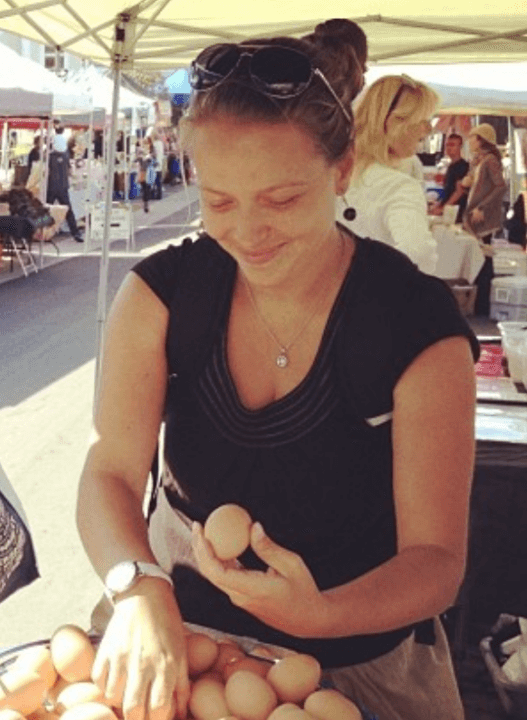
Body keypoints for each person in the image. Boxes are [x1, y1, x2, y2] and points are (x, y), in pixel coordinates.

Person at [77, 18, 477, 720]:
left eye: (283, 199)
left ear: (343, 168)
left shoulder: (416, 325)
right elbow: (111, 469)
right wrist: (139, 588)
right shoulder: (161, 296)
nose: (248, 233)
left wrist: (319, 615)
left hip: (357, 663)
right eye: (219, 201)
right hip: (176, 638)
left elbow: (437, 560)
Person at [343, 74, 439, 274]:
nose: (427, 130)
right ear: (395, 122)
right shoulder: (399, 187)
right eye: (423, 120)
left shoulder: (332, 172)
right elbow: (419, 255)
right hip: (373, 301)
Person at [464, 123, 509, 316]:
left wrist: (482, 206)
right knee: (481, 257)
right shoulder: (480, 160)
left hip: (484, 216)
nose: (470, 141)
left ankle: (483, 305)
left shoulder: (490, 160)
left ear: (481, 139)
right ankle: (480, 303)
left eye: (473, 137)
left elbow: (500, 186)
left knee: (484, 258)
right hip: (476, 213)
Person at [47, 123, 84, 242]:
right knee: (68, 209)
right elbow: (69, 171)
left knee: (46, 210)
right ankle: (75, 232)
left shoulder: (49, 156)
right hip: (63, 185)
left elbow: (44, 170)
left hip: (51, 185)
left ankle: (41, 229)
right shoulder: (66, 155)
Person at [432, 133, 469, 223]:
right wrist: (439, 204)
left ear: (460, 147)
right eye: (447, 145)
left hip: (455, 213)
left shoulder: (462, 166)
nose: (449, 148)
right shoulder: (451, 166)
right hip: (448, 210)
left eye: (452, 145)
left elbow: (459, 191)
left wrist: (443, 208)